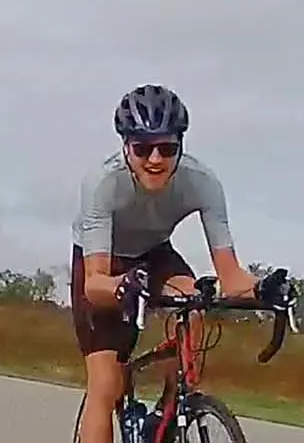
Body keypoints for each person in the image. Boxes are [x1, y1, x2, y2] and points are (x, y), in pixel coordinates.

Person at [69, 84, 281, 443]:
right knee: (106, 385)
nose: (155, 159)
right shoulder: (103, 183)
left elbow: (230, 276)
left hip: (155, 253)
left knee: (193, 302)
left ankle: (168, 412)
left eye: (167, 148)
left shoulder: (202, 182)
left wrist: (264, 288)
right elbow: (95, 282)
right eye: (142, 148)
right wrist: (122, 287)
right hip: (104, 265)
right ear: (126, 146)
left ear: (180, 145)